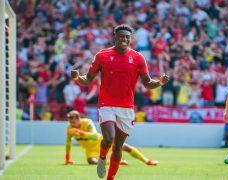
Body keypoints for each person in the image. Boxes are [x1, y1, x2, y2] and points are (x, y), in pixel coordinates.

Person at [71, 24, 169, 180]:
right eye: (121, 36)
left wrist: (160, 82)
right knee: (108, 138)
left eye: (127, 37)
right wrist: (77, 78)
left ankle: (110, 178)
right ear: (114, 37)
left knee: (118, 147)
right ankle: (102, 159)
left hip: (127, 108)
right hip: (106, 104)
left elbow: (147, 82)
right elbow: (88, 79)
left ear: (130, 39)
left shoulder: (138, 58)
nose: (124, 39)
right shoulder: (102, 55)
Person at [65, 111, 158, 166]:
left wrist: (80, 132)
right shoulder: (70, 128)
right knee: (91, 161)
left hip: (101, 142)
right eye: (70, 122)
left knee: (125, 147)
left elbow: (94, 136)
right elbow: (68, 143)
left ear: (79, 119)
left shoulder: (87, 123)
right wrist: (68, 158)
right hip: (90, 150)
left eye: (73, 122)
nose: (72, 124)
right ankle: (116, 162)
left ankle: (147, 161)